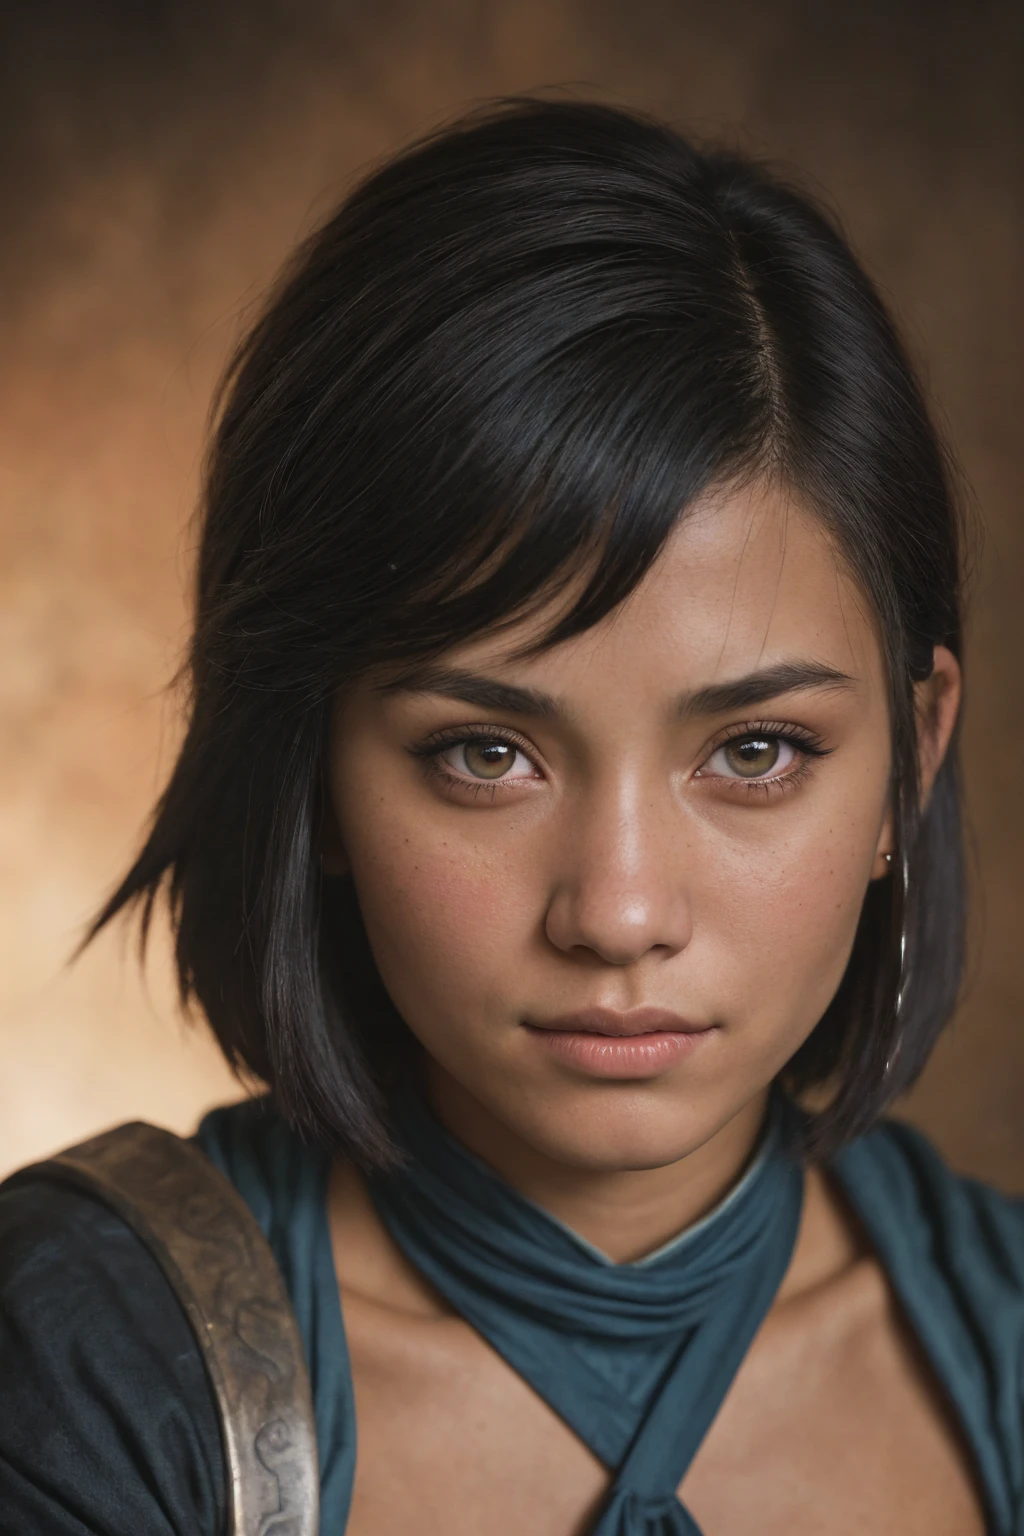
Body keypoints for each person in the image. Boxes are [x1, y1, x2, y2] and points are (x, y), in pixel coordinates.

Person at [0, 97, 1019, 1536]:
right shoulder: (77, 1366)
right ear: (312, 766)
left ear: (909, 768)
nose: (617, 910)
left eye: (756, 751)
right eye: (486, 754)